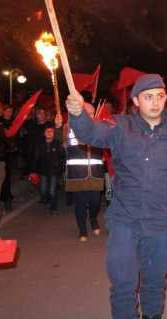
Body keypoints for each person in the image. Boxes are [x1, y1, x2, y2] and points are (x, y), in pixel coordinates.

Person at [66, 74, 167, 319]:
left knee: (154, 282)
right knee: (123, 284)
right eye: (149, 97)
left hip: (160, 222)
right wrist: (77, 114)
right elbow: (91, 133)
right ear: (136, 100)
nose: (156, 102)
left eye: (160, 96)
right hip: (125, 220)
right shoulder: (119, 126)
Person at [63, 102, 105, 242]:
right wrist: (59, 125)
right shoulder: (69, 127)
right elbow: (62, 140)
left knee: (95, 202)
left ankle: (93, 218)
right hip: (76, 174)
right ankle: (82, 229)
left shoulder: (100, 128)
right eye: (88, 113)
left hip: (95, 173)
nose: (91, 116)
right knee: (80, 204)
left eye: (92, 113)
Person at [30, 123, 65, 215]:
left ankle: (53, 208)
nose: (49, 133)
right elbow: (35, 158)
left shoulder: (58, 144)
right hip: (43, 171)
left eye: (51, 131)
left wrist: (61, 168)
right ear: (44, 133)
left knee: (52, 191)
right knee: (43, 190)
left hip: (54, 171)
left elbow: (63, 157)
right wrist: (33, 171)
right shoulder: (40, 145)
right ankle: (46, 198)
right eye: (47, 131)